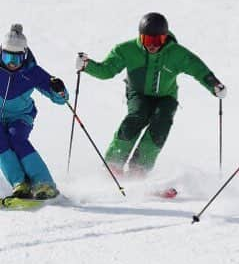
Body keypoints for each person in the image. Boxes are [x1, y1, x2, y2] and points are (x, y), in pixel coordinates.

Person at [76, 13, 226, 176]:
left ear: (165, 38)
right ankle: (114, 163)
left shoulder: (177, 54)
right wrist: (86, 65)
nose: (152, 46)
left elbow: (199, 69)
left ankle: (139, 168)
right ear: (141, 37)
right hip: (138, 93)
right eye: (148, 41)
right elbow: (106, 71)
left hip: (166, 97)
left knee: (161, 124)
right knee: (137, 116)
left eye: (158, 41)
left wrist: (214, 85)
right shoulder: (126, 50)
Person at [0, 24, 68, 199]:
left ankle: (44, 183)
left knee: (16, 138)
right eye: (7, 58)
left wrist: (59, 90)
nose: (12, 64)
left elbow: (60, 99)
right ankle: (19, 183)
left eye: (16, 59)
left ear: (24, 55)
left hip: (21, 115)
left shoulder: (32, 72)